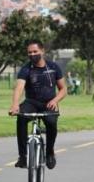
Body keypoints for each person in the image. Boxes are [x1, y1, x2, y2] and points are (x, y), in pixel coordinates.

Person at [9, 40, 67, 170]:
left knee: (51, 123)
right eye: (29, 52)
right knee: (21, 119)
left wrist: (55, 100)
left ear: (42, 51)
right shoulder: (26, 69)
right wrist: (15, 105)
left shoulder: (53, 67)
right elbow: (19, 88)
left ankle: (50, 152)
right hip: (32, 103)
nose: (32, 54)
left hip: (49, 103)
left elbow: (63, 89)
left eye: (35, 51)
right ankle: (23, 156)